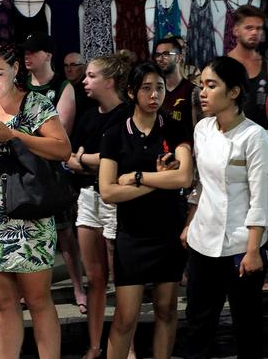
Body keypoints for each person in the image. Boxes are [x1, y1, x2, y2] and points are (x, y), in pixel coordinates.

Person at [0, 37, 71, 358]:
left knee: (37, 300)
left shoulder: (36, 104)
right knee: (4, 303)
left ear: (15, 68)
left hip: (30, 209)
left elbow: (63, 149)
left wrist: (13, 135)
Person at [99, 62, 193, 359]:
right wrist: (158, 182)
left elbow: (184, 178)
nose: (155, 95)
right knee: (126, 317)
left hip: (169, 232)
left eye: (160, 88)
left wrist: (139, 177)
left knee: (166, 310)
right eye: (147, 88)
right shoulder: (115, 134)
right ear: (131, 92)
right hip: (133, 237)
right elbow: (108, 191)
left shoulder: (175, 127)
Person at [184, 56, 268, 358]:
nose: (203, 93)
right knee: (198, 324)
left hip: (240, 246)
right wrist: (189, 223)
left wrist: (252, 251)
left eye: (211, 85)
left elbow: (262, 199)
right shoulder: (203, 129)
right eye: (201, 86)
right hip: (202, 242)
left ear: (233, 92)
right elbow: (200, 185)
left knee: (247, 327)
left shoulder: (255, 136)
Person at [65, 53, 131, 359]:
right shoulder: (89, 115)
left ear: (110, 81)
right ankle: (94, 345)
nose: (85, 81)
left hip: (114, 198)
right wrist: (92, 161)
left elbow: (114, 161)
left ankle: (124, 345)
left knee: (122, 277)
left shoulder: (126, 115)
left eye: (91, 76)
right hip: (88, 197)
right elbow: (70, 157)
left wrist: (88, 159)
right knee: (95, 278)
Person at [22, 31, 85, 309]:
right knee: (26, 231)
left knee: (64, 234)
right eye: (25, 51)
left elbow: (60, 135)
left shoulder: (63, 87)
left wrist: (22, 134)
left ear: (47, 54)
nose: (27, 56)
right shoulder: (20, 85)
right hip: (24, 168)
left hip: (52, 170)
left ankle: (77, 287)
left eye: (33, 51)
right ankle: (32, 288)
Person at [227, 5, 268, 130]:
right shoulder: (222, 66)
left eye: (258, 28)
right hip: (232, 137)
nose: (254, 32)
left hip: (265, 137)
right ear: (236, 31)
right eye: (249, 28)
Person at [153, 37, 200, 135]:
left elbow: (201, 130)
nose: (160, 59)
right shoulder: (154, 92)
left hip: (185, 148)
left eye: (166, 54)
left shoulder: (193, 91)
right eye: (157, 55)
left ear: (179, 57)